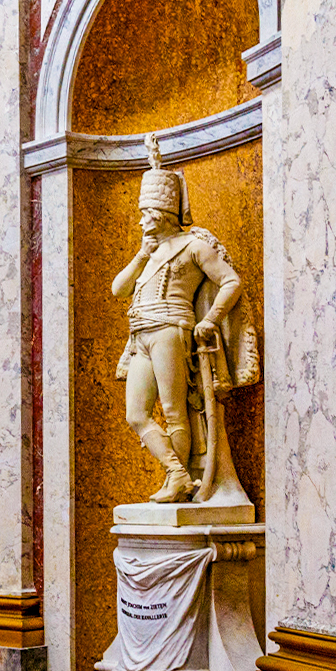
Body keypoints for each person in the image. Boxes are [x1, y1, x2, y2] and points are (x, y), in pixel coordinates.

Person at [113, 134, 258, 504]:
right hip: (140, 336)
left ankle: (178, 481)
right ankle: (176, 473)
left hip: (171, 330)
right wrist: (141, 255)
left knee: (176, 412)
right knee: (136, 415)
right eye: (142, 213)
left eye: (147, 213)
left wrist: (210, 319)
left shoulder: (194, 245)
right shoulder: (148, 252)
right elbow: (118, 289)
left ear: (163, 214)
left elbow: (231, 281)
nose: (143, 219)